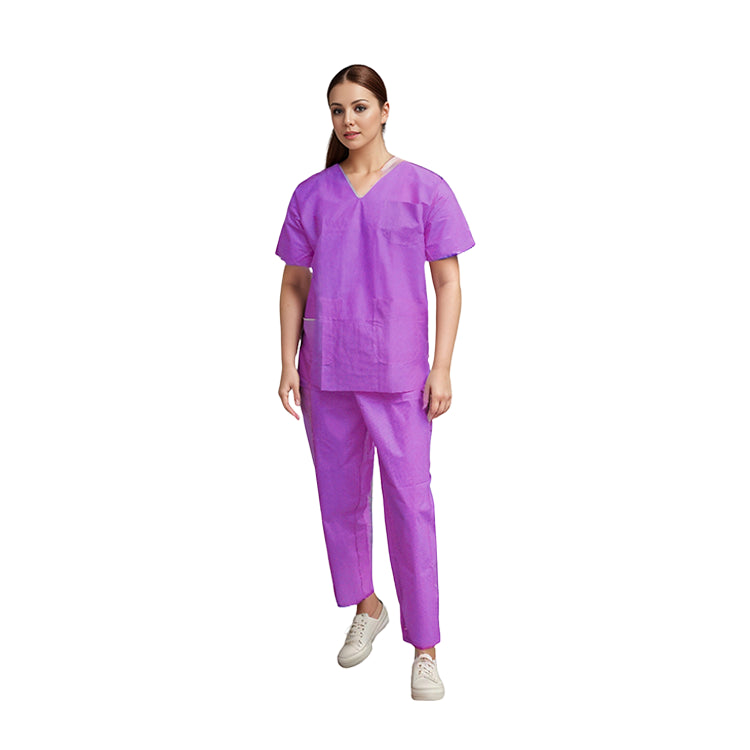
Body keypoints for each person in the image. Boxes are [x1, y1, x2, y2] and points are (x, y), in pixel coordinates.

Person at [275, 64, 475, 701]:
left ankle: (426, 647)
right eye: (337, 110)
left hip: (399, 373)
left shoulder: (424, 189)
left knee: (410, 505)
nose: (348, 120)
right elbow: (294, 282)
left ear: (385, 110)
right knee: (339, 498)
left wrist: (442, 366)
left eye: (359, 107)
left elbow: (448, 281)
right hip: (327, 368)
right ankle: (366, 605)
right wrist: (287, 360)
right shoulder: (312, 194)